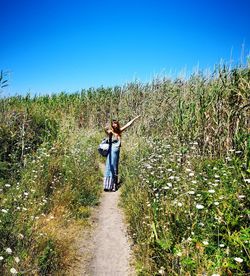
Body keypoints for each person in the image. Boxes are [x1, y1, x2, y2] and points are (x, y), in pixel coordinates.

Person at [103, 115, 141, 192]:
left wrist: (135, 118)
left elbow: (128, 125)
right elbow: (106, 130)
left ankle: (114, 185)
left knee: (115, 167)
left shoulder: (119, 131)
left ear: (117, 124)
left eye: (116, 123)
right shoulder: (111, 132)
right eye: (113, 124)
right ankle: (108, 185)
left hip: (117, 152)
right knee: (110, 166)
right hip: (111, 151)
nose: (114, 125)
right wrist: (108, 130)